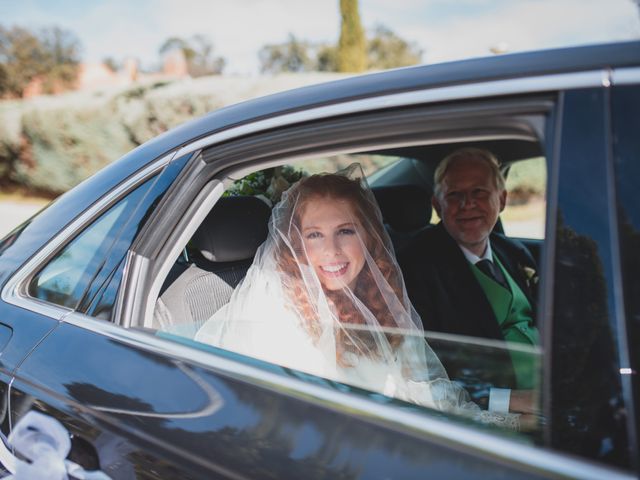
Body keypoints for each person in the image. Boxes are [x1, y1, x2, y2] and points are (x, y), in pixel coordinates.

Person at [196, 164, 518, 429]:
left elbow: (423, 389)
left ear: (369, 236)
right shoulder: (276, 315)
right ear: (295, 243)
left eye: (345, 231)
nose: (332, 251)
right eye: (314, 235)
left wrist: (500, 419)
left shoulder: (378, 297)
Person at [399, 148, 539, 414]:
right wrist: (508, 401)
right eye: (454, 195)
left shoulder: (514, 252)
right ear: (437, 206)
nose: (467, 204)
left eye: (479, 192)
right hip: (498, 410)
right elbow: (428, 371)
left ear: (503, 199)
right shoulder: (415, 267)